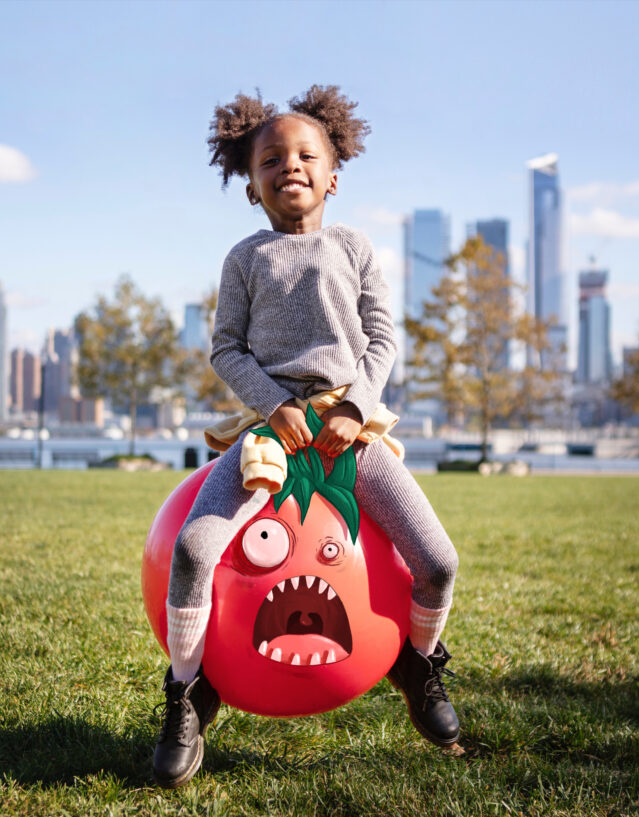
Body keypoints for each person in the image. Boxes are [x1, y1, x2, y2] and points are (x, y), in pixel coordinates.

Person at [153, 86, 460, 788]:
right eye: (271, 159)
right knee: (195, 547)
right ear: (252, 184)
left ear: (331, 175)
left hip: (350, 434)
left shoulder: (354, 246)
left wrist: (354, 407)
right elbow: (226, 349)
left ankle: (419, 665)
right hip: (272, 434)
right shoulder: (244, 258)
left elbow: (382, 337)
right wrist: (274, 405)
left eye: (304, 155)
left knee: (438, 561)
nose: (289, 165)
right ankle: (187, 695)